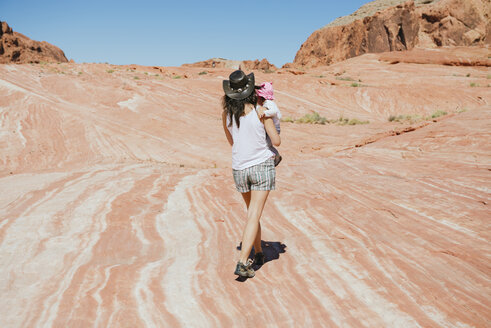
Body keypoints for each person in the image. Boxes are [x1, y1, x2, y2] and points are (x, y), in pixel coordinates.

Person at [222, 70, 281, 278]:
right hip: (261, 166)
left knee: (251, 214)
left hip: (239, 168)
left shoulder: (226, 114)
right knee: (254, 214)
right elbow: (276, 141)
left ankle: (258, 252)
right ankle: (242, 263)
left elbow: (232, 142)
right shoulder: (260, 111)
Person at [256, 82, 282, 166]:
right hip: (271, 128)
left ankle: (276, 156)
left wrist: (265, 113)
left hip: (275, 129)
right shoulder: (266, 104)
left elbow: (274, 111)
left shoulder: (269, 103)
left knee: (266, 145)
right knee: (266, 144)